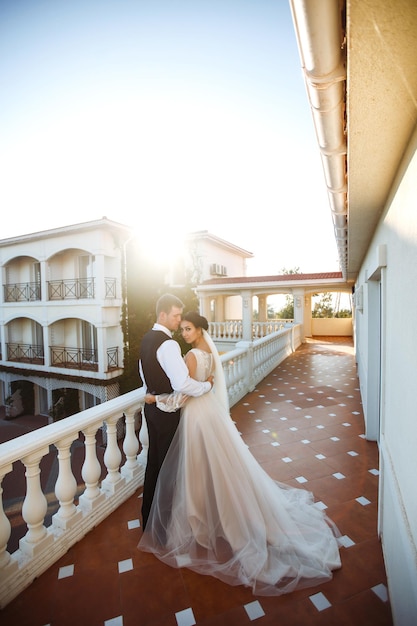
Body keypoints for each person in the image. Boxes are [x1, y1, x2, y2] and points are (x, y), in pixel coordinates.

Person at [138, 312, 342, 597]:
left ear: (198, 330)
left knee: (197, 467)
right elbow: (202, 386)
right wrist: (206, 385)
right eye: (181, 328)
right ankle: (216, 512)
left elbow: (182, 394)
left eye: (187, 329)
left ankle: (203, 519)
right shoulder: (210, 352)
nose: (183, 333)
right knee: (218, 465)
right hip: (210, 413)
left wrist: (153, 398)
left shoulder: (192, 357)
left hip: (196, 416)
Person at [139, 295, 213, 529]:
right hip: (166, 414)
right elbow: (181, 384)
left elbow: (144, 375)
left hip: (150, 410)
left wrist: (152, 396)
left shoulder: (146, 339)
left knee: (154, 464)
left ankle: (148, 518)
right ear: (163, 315)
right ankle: (164, 524)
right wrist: (206, 386)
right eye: (176, 316)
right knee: (168, 468)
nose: (179, 320)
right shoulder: (169, 344)